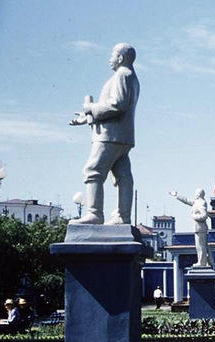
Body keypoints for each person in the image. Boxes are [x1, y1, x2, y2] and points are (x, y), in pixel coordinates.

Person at [69, 43, 140, 225]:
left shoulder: (122, 75)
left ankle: (94, 214)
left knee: (93, 170)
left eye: (112, 55)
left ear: (120, 58)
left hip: (110, 136)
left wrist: (91, 108)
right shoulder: (131, 76)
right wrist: (88, 116)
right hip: (122, 136)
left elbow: (117, 104)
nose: (110, 59)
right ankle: (122, 216)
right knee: (123, 175)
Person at [170, 188, 211, 267]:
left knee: (201, 246)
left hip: (201, 228)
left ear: (199, 194)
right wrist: (176, 195)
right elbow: (186, 200)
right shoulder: (196, 202)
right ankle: (201, 261)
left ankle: (202, 262)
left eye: (196, 193)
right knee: (198, 246)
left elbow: (204, 215)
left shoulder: (202, 203)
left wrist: (194, 216)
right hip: (198, 228)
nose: (195, 194)